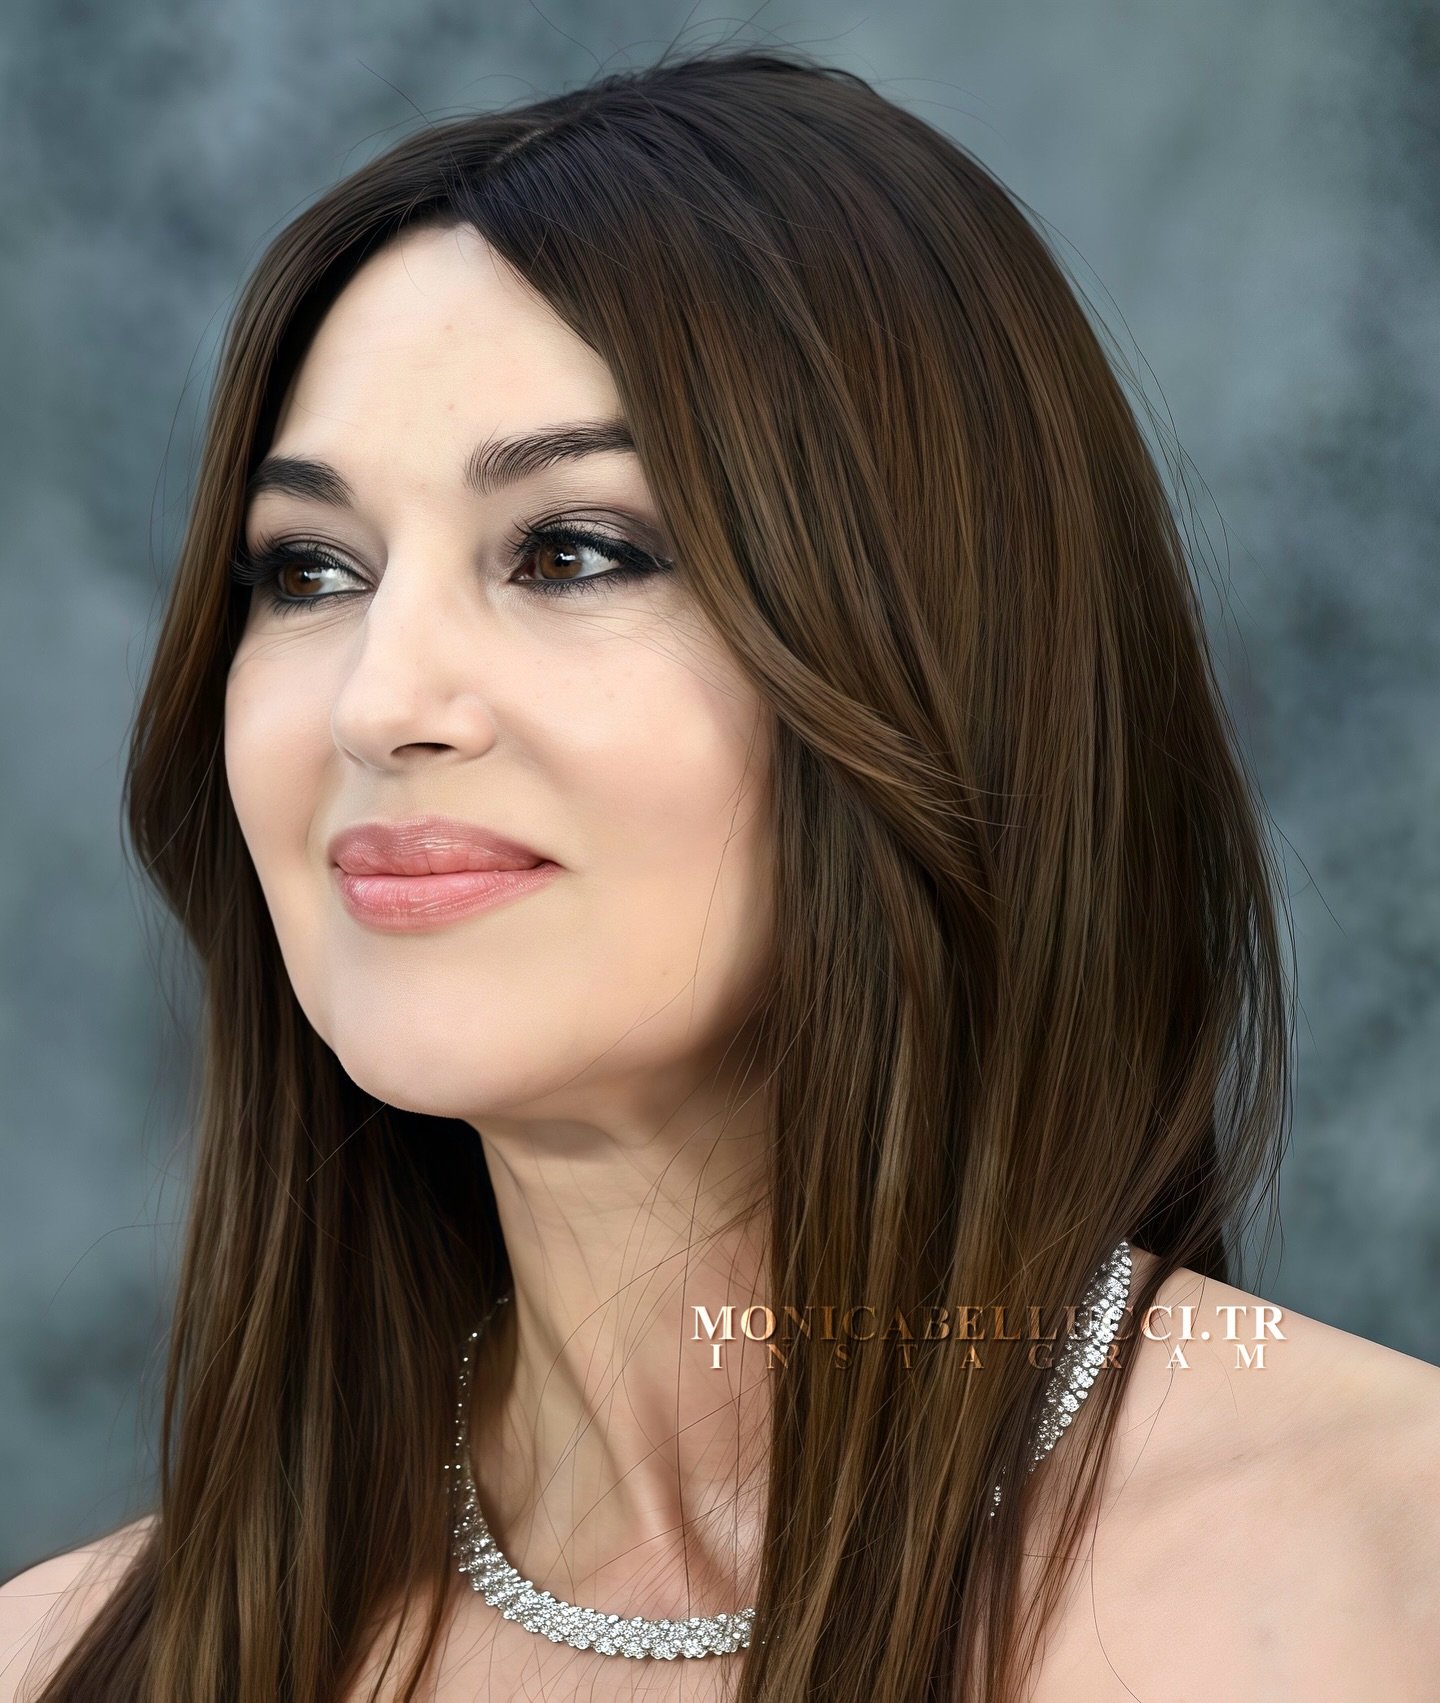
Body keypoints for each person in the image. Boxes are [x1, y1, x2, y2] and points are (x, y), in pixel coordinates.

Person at [3, 42, 1437, 1703]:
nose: (379, 703)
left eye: (573, 550)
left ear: (936, 651)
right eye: (310, 569)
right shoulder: (64, 1661)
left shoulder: (1383, 1576)